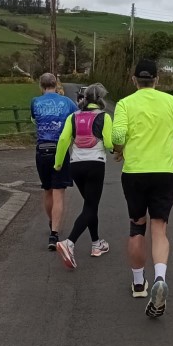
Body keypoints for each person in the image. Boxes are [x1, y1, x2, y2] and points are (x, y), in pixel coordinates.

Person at [112, 58, 173, 319]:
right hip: (164, 173)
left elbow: (117, 136)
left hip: (134, 173)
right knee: (159, 228)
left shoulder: (125, 104)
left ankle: (139, 283)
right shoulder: (172, 102)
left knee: (137, 226)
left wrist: (119, 150)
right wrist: (172, 153)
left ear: (134, 79)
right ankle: (160, 278)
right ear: (157, 79)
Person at [53, 83, 113, 269]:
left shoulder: (73, 116)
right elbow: (109, 143)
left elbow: (64, 139)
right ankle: (69, 242)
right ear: (100, 99)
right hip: (95, 164)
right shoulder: (104, 117)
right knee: (91, 206)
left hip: (76, 165)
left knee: (89, 205)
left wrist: (58, 163)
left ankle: (96, 243)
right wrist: (114, 149)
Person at [30, 72, 78, 250]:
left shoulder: (35, 102)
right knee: (59, 192)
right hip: (60, 149)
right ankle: (54, 233)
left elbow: (34, 119)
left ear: (41, 85)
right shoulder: (67, 102)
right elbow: (76, 119)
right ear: (56, 84)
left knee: (47, 189)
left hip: (42, 148)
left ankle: (51, 221)